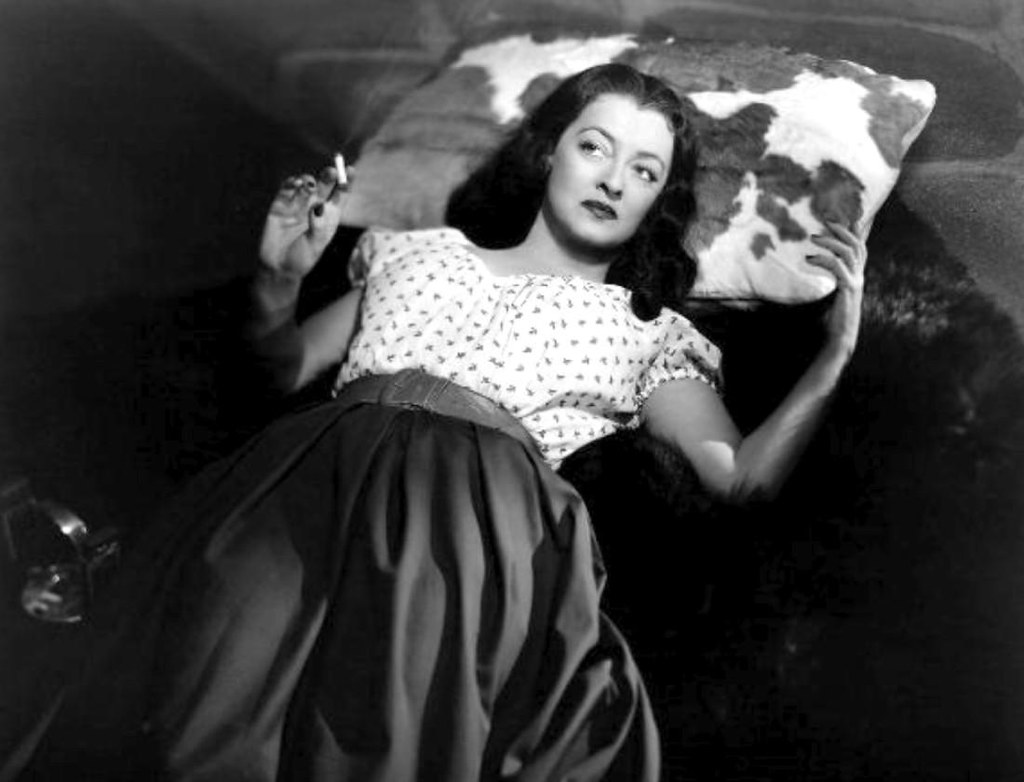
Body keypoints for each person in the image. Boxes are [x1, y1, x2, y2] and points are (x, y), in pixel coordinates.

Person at [6, 63, 864, 781]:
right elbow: (282, 370)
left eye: (644, 170)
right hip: (303, 484)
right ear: (549, 153)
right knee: (202, 705)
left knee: (387, 733)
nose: (612, 179)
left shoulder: (647, 331)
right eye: (595, 146)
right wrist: (278, 279)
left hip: (472, 523)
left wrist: (834, 354)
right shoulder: (415, 252)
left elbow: (738, 477)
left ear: (656, 200)